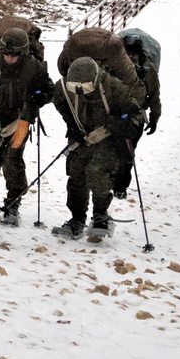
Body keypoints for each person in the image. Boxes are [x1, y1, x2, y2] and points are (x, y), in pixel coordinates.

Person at [0, 28, 54, 226]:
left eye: (14, 54)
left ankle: (13, 203)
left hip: (20, 120)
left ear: (22, 53)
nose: (9, 57)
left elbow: (50, 89)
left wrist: (41, 96)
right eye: (6, 53)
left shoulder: (34, 68)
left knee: (12, 162)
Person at [51, 57, 141, 239]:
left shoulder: (114, 87)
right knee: (76, 173)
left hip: (108, 137)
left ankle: (101, 215)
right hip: (82, 136)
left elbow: (136, 112)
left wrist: (129, 126)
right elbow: (59, 102)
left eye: (84, 87)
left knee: (97, 171)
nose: (80, 92)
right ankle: (76, 218)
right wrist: (71, 123)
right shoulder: (63, 88)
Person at [112, 33, 162, 198]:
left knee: (127, 150)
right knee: (110, 150)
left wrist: (154, 118)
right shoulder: (115, 67)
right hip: (113, 114)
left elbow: (154, 96)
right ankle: (109, 181)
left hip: (136, 117)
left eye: (133, 53)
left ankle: (121, 185)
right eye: (128, 53)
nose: (131, 57)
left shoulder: (148, 71)